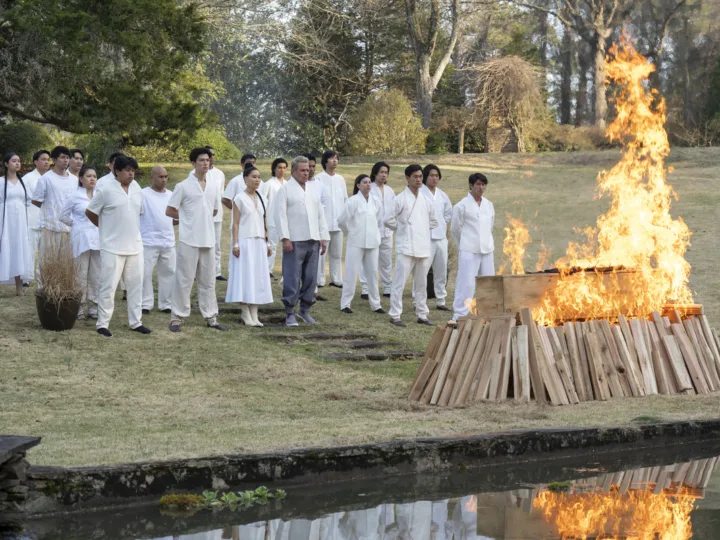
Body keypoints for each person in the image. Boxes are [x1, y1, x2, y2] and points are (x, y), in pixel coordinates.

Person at [86, 156, 151, 337]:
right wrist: (105, 229)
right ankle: (102, 324)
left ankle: (136, 322)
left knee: (136, 286)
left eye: (133, 170)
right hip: (112, 246)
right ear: (117, 171)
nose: (131, 174)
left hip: (135, 246)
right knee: (109, 286)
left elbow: (138, 213)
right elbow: (90, 211)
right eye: (128, 170)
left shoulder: (137, 189)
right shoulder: (106, 189)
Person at [166, 148, 227, 333]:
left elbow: (215, 210)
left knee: (208, 280)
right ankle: (177, 317)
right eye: (201, 160)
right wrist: (186, 218)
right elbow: (170, 210)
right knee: (184, 279)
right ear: (193, 163)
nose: (206, 163)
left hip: (208, 239)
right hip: (188, 239)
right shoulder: (183, 186)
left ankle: (211, 316)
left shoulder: (214, 186)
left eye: (208, 160)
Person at [275, 155, 329, 326]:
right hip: (294, 240)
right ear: (293, 171)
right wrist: (285, 238)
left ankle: (305, 309)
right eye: (303, 170)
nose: (306, 173)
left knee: (311, 277)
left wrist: (323, 237)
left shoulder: (313, 189)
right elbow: (280, 215)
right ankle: (290, 311)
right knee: (292, 276)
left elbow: (320, 215)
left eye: (308, 170)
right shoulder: (285, 189)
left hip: (313, 239)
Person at [385, 164, 438, 327]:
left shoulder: (426, 200)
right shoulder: (400, 198)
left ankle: (422, 314)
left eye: (420, 176)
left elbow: (434, 221)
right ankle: (395, 315)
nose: (418, 180)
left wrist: (421, 229)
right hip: (406, 246)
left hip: (422, 246)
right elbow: (387, 219)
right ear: (407, 178)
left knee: (421, 284)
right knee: (399, 282)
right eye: (415, 177)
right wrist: (403, 228)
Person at [225, 164, 273, 326]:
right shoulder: (239, 198)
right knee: (245, 277)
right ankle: (245, 313)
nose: (257, 180)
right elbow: (236, 223)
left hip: (259, 242)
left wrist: (268, 243)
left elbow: (265, 222)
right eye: (253, 177)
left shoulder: (263, 198)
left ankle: (255, 313)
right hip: (245, 242)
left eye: (259, 177)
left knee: (258, 277)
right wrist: (235, 243)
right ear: (245, 179)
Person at [337, 174, 385, 314]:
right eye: (365, 182)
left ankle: (376, 304)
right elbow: (341, 221)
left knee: (372, 274)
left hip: (372, 241)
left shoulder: (376, 201)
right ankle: (345, 304)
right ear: (358, 185)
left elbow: (379, 220)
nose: (368, 185)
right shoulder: (352, 201)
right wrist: (350, 233)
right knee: (351, 273)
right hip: (355, 242)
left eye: (370, 182)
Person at [451, 173, 495, 321]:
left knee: (488, 282)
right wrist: (463, 245)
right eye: (478, 184)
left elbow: (490, 225)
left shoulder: (488, 205)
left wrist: (486, 241)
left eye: (483, 185)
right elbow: (455, 229)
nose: (481, 188)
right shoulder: (461, 206)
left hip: (487, 249)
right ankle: (460, 315)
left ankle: (487, 312)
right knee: (467, 283)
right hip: (469, 249)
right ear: (471, 185)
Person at [60, 166, 100, 319]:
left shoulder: (100, 195)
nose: (92, 179)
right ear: (81, 179)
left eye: (94, 176)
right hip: (81, 239)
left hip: (98, 238)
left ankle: (94, 306)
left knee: (96, 274)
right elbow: (62, 216)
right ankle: (80, 306)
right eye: (89, 176)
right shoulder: (75, 196)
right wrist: (76, 225)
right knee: (80, 273)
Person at [31, 146, 77, 264]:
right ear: (54, 160)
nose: (66, 160)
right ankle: (45, 283)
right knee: (47, 262)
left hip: (69, 228)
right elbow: (36, 201)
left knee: (67, 264)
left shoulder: (74, 180)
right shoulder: (46, 178)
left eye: (67, 157)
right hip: (50, 227)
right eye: (62, 157)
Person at [140, 166, 176, 315]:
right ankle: (145, 304)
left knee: (169, 272)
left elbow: (175, 217)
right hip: (148, 240)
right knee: (145, 273)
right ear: (152, 178)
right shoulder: (142, 194)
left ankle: (166, 303)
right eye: (160, 176)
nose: (164, 180)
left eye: (166, 176)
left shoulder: (171, 195)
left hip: (168, 241)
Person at [420, 164, 453, 311]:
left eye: (436, 176)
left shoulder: (442, 195)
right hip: (425, 238)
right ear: (425, 177)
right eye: (431, 175)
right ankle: (419, 300)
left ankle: (441, 300)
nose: (434, 178)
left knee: (441, 270)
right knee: (422, 270)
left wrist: (441, 224)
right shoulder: (419, 193)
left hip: (440, 238)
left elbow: (448, 213)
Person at [360, 161, 394, 299]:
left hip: (387, 231)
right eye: (381, 172)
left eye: (386, 173)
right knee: (369, 260)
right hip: (372, 230)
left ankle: (387, 286)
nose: (384, 175)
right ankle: (365, 288)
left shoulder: (390, 190)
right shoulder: (369, 188)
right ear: (375, 173)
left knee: (386, 261)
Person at [0, 152, 31, 295]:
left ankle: (19, 286)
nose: (17, 163)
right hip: (4, 221)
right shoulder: (1, 182)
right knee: (4, 248)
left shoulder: (22, 182)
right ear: (6, 164)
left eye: (19, 161)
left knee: (18, 249)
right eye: (14, 161)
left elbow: (27, 202)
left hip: (19, 223)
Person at [315, 150, 347, 288]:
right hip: (324, 222)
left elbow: (345, 200)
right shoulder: (318, 179)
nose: (334, 161)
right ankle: (320, 279)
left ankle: (337, 278)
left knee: (337, 253)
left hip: (338, 223)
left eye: (336, 158)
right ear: (325, 161)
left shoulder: (340, 179)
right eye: (331, 158)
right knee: (322, 253)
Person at [23, 150, 51, 281]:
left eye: (48, 159)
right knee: (30, 250)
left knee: (45, 252)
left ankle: (44, 276)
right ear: (35, 162)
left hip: (47, 220)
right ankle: (26, 278)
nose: (46, 162)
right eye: (43, 159)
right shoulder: (27, 178)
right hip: (32, 218)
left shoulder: (51, 177)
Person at [202, 146, 227, 281]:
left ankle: (216, 272)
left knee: (216, 244)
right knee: (201, 244)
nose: (211, 158)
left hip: (217, 214)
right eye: (208, 155)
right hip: (201, 215)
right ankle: (198, 272)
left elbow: (221, 194)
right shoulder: (195, 173)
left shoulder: (220, 174)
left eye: (212, 155)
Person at [260, 157, 287, 276]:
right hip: (271, 219)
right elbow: (262, 202)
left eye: (284, 168)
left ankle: (286, 270)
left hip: (285, 220)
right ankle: (267, 269)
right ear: (274, 169)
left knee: (285, 247)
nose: (282, 170)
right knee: (272, 246)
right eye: (279, 168)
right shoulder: (269, 184)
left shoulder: (288, 184)